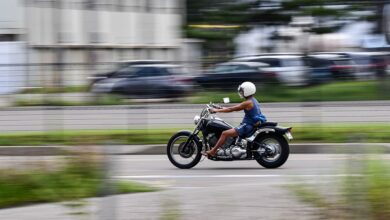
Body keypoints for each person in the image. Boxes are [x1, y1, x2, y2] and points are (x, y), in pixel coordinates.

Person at [202, 81, 267, 157]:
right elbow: (231, 108)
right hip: (249, 124)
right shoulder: (253, 100)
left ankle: (213, 151)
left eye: (242, 91)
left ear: (247, 91)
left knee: (224, 133)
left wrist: (216, 110)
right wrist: (219, 108)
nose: (241, 93)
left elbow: (232, 109)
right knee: (228, 131)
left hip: (247, 126)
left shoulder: (247, 103)